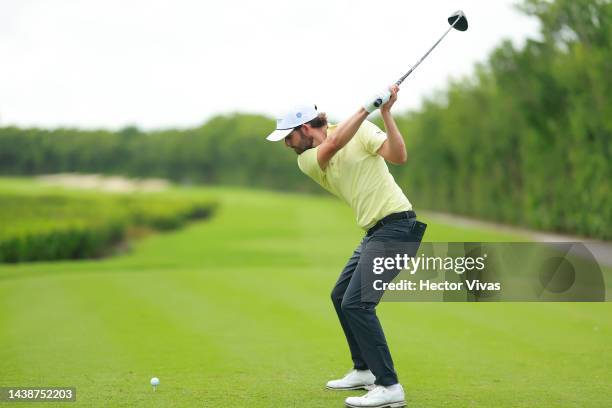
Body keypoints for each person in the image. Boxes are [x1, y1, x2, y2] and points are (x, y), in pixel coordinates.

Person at [265, 86, 426, 408]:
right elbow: (336, 143)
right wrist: (367, 107)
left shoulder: (361, 129)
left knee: (357, 304)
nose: (286, 143)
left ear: (305, 128)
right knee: (342, 296)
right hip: (375, 232)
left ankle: (389, 386)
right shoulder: (307, 160)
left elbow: (398, 157)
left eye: (288, 136)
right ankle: (364, 370)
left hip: (398, 227)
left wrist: (386, 114)